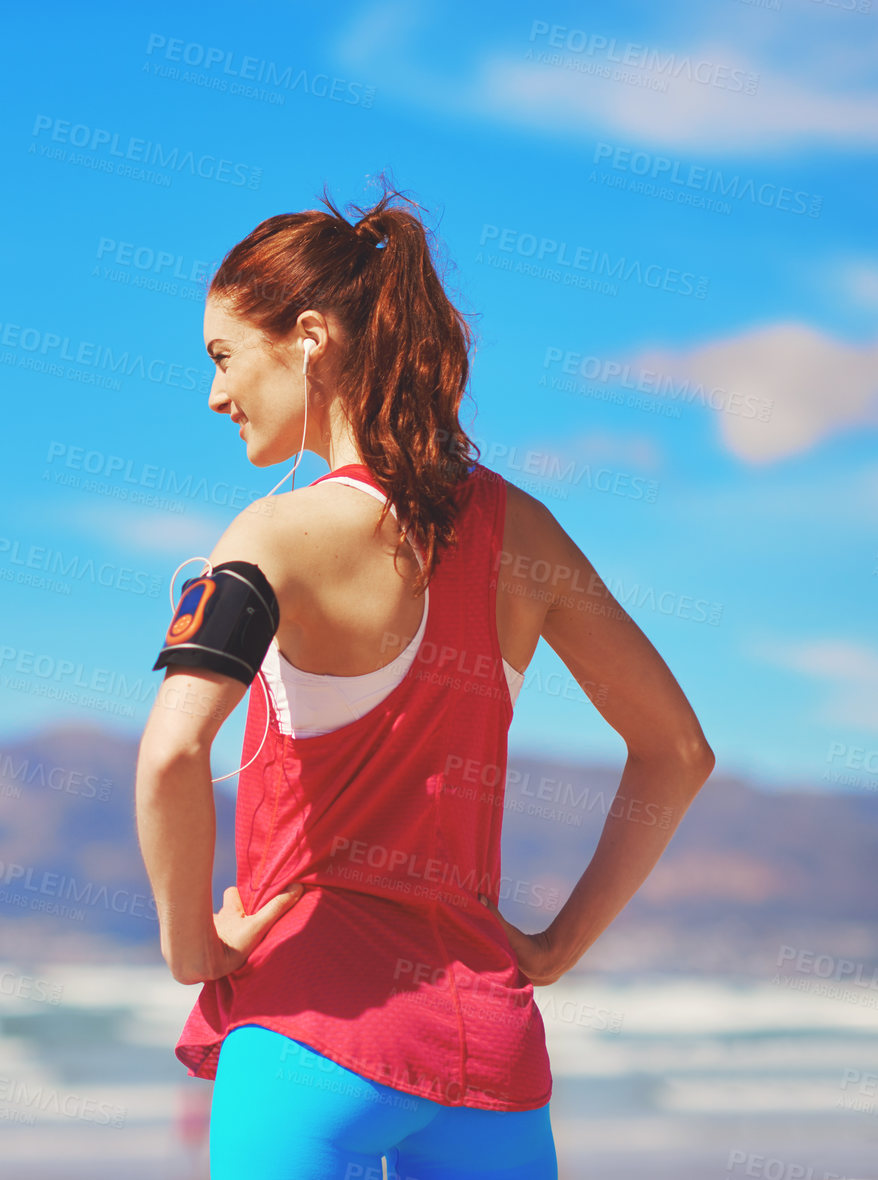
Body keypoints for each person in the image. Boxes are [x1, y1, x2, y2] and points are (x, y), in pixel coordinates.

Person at [133, 181, 716, 1180]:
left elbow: (171, 752)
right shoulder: (522, 533)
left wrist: (192, 942)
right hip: (486, 1060)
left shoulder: (271, 535)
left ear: (307, 337)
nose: (214, 393)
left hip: (309, 1035)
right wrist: (555, 945)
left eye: (223, 356)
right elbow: (677, 749)